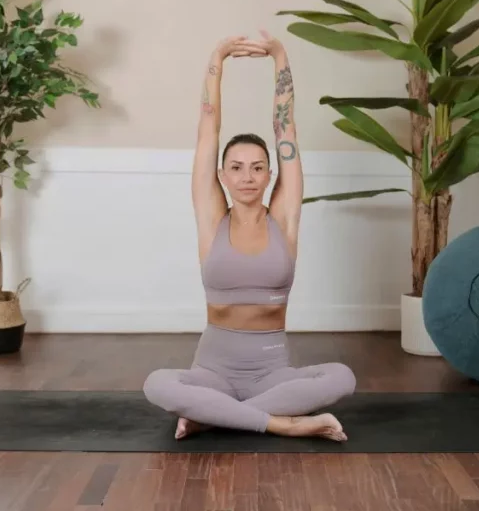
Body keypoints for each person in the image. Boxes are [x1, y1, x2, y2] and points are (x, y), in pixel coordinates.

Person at [142, 31, 356, 441]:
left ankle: (214, 417)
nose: (247, 176)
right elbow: (209, 128)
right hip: (212, 372)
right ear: (222, 174)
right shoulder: (211, 221)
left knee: (342, 377)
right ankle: (284, 423)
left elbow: (286, 131)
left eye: (258, 167)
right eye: (236, 167)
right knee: (156, 382)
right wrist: (217, 58)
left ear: (270, 174)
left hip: (273, 374)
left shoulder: (284, 220)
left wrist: (280, 56)